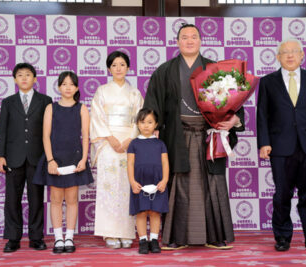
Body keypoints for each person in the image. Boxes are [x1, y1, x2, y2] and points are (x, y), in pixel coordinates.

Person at [143, 24, 244, 249]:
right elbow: (153, 102)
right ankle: (176, 237)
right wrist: (154, 128)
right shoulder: (165, 70)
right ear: (177, 42)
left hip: (210, 133)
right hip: (177, 134)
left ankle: (215, 236)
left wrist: (233, 120)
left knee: (213, 183)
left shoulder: (215, 69)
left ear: (201, 41)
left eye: (194, 37)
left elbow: (234, 101)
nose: (189, 41)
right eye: (184, 37)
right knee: (177, 182)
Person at [257, 38, 306, 252]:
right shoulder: (267, 81)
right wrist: (264, 143)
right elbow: (262, 116)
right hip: (280, 148)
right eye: (284, 52)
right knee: (282, 195)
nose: (290, 55)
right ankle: (282, 238)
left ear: (302, 56)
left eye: (294, 51)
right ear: (278, 57)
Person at [32, 71, 94, 253]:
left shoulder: (81, 108)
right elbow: (45, 136)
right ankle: (58, 238)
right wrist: (50, 160)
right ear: (59, 87)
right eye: (64, 84)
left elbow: (85, 137)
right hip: (56, 159)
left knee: (72, 200)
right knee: (56, 200)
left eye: (71, 84)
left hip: (75, 160)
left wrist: (83, 159)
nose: (68, 87)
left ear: (76, 87)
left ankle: (69, 238)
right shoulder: (51, 108)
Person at [0, 63, 52, 253]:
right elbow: (2, 131)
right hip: (13, 157)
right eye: (20, 75)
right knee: (12, 199)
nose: (24, 78)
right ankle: (13, 238)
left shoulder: (45, 101)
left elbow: (49, 132)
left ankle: (36, 238)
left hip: (37, 158)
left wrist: (49, 157)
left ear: (35, 79)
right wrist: (0, 156)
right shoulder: (8, 102)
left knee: (36, 198)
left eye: (28, 75)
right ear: (14, 79)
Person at [90, 51, 143, 249]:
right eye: (114, 65)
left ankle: (126, 231)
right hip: (108, 143)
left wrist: (130, 139)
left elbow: (140, 120)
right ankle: (109, 232)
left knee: (127, 187)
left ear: (128, 68)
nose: (119, 68)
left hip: (129, 143)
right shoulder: (102, 91)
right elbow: (97, 117)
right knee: (109, 187)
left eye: (122, 64)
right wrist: (111, 139)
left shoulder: (135, 93)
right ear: (109, 68)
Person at [127, 108, 169, 254]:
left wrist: (164, 180)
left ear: (156, 124)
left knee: (155, 212)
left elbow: (165, 164)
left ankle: (154, 240)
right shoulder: (133, 144)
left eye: (150, 122)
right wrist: (132, 181)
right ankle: (143, 240)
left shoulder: (160, 144)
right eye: (142, 122)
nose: (146, 125)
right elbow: (130, 164)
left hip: (157, 183)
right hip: (139, 182)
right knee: (141, 212)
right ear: (137, 124)